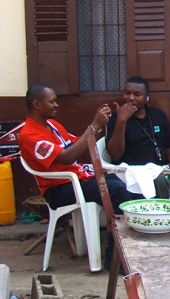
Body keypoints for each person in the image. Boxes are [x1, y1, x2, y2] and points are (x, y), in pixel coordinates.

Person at [19, 83, 131, 269]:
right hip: (58, 189)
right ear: (37, 104)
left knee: (123, 184)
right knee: (117, 191)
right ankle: (115, 259)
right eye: (52, 102)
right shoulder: (29, 134)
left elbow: (77, 144)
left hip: (77, 180)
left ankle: (128, 249)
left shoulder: (52, 125)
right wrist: (94, 126)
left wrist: (100, 126)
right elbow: (67, 157)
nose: (57, 105)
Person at [105, 76, 170, 245]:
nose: (130, 97)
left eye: (137, 94)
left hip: (162, 167)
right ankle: (161, 236)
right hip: (133, 172)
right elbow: (115, 154)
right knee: (159, 180)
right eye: (127, 93)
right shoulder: (116, 118)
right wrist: (122, 121)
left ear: (147, 97)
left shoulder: (158, 115)